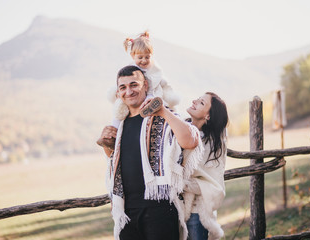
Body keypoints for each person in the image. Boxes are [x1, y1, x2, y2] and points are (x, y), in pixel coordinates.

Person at [98, 65, 203, 240]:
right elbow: (117, 160)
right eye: (123, 87)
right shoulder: (120, 125)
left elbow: (190, 141)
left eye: (134, 85)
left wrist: (162, 111)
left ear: (146, 85)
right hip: (126, 210)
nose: (128, 91)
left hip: (160, 206)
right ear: (118, 93)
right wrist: (106, 144)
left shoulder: (163, 115)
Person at [99, 31, 180, 150]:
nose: (144, 61)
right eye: (140, 57)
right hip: (136, 102)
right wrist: (117, 92)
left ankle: (150, 108)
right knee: (118, 112)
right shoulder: (130, 70)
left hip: (151, 95)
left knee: (152, 102)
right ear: (133, 56)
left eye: (147, 57)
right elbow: (122, 83)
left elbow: (164, 83)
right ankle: (112, 138)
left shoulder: (154, 70)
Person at [183, 92, 228, 240]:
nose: (194, 101)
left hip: (197, 211)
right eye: (197, 98)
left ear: (208, 116)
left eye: (201, 103)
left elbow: (212, 180)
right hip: (173, 206)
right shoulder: (180, 129)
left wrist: (182, 184)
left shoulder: (213, 145)